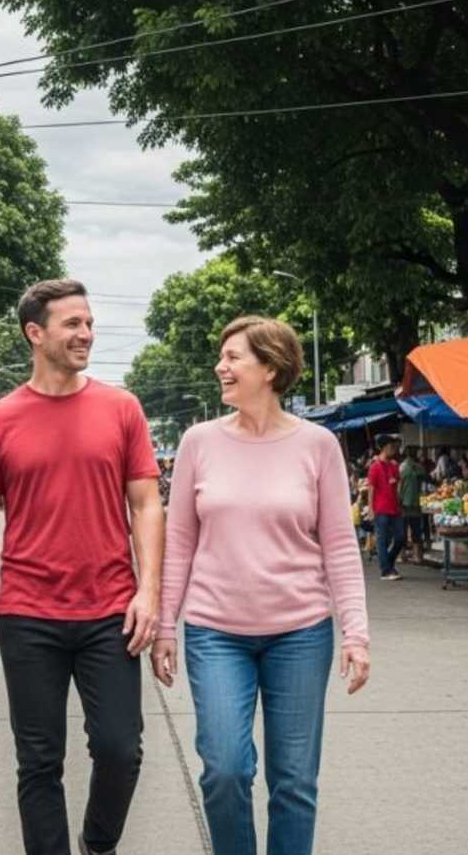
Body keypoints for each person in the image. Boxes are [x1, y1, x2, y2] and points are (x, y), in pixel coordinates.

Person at [0, 279, 164, 855]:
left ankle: (98, 844)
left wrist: (149, 592)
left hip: (110, 611)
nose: (86, 334)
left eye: (89, 323)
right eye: (73, 324)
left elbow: (146, 504)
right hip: (28, 614)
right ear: (35, 333)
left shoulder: (121, 408)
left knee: (121, 748)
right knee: (39, 762)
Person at [153, 316, 369, 855]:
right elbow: (178, 540)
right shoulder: (198, 442)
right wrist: (164, 626)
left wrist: (357, 634)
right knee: (225, 768)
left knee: (294, 782)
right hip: (215, 631)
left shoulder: (318, 445)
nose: (219, 367)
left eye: (233, 358)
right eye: (222, 357)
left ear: (270, 368)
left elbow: (340, 545)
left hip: (301, 632)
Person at [366, 437, 403, 581]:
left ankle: (388, 563)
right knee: (382, 540)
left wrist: (399, 502)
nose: (393, 449)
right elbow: (371, 489)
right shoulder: (374, 467)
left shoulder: (394, 466)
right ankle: (385, 571)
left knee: (400, 538)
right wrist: (370, 509)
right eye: (391, 446)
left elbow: (397, 485)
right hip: (380, 509)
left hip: (395, 508)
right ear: (384, 448)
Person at [398, 445, 427, 563]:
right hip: (416, 502)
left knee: (402, 530)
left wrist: (398, 500)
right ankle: (417, 556)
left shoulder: (401, 468)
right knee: (416, 530)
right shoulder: (419, 468)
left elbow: (399, 487)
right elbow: (424, 478)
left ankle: (402, 555)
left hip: (403, 503)